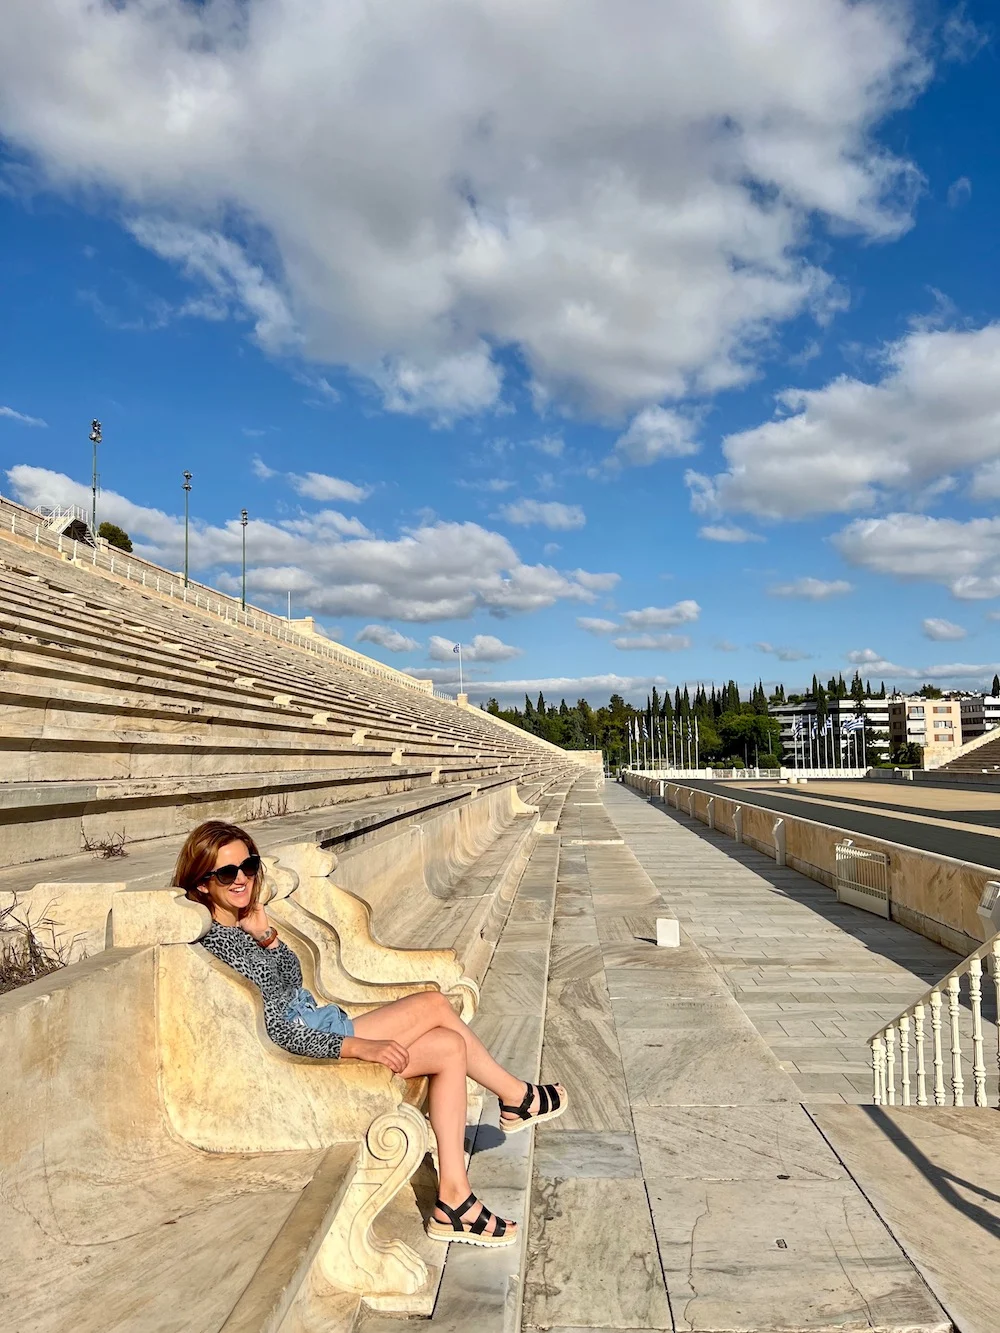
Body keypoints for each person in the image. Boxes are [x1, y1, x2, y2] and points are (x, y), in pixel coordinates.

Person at [175, 819, 566, 1249]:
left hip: (322, 1025)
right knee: (436, 1008)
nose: (243, 879)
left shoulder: (239, 927)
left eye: (248, 866)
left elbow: (289, 983)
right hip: (311, 1054)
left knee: (449, 1045)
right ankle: (514, 1100)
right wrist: (362, 1047)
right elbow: (279, 1031)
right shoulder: (220, 943)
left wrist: (265, 934)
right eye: (227, 873)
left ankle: (455, 1196)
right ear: (201, 884)